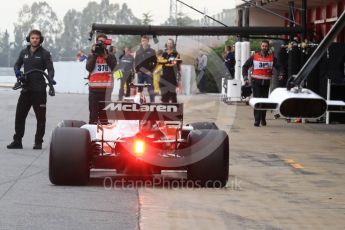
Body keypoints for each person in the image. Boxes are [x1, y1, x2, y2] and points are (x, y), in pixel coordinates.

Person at [7, 29, 55, 150]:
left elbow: (50, 69)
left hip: (39, 90)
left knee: (40, 118)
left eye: (37, 38)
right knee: (19, 116)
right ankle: (17, 141)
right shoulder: (24, 52)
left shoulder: (45, 53)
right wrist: (17, 72)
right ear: (29, 39)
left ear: (40, 40)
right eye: (33, 38)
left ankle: (38, 142)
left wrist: (50, 78)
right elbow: (17, 64)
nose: (35, 40)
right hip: (26, 89)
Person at [242, 40, 284, 127]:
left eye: (266, 46)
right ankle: (257, 120)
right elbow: (245, 66)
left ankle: (263, 118)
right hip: (256, 81)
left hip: (266, 82)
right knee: (257, 100)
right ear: (260, 47)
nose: (264, 47)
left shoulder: (272, 58)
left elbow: (280, 66)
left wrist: (281, 73)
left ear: (268, 47)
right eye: (263, 46)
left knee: (264, 101)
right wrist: (245, 77)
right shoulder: (254, 57)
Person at [86, 33, 117, 124]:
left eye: (103, 42)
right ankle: (92, 137)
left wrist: (106, 57)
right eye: (99, 42)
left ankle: (104, 136)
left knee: (104, 117)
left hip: (106, 91)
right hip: (93, 91)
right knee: (93, 117)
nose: (101, 44)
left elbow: (115, 69)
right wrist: (95, 54)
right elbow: (88, 68)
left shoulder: (110, 56)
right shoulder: (92, 55)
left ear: (106, 43)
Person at [134, 35, 157, 102]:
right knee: (139, 89)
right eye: (142, 41)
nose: (143, 42)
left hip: (148, 74)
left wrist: (151, 71)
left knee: (150, 89)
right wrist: (137, 71)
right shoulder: (138, 51)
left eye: (144, 40)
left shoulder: (152, 51)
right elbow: (136, 62)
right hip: (140, 73)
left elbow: (155, 62)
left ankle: (152, 102)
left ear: (147, 41)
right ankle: (139, 101)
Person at [160, 38, 182, 103]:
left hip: (173, 77)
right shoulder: (164, 54)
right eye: (168, 43)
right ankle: (164, 109)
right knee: (164, 94)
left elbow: (178, 66)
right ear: (166, 44)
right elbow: (161, 64)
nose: (169, 44)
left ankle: (175, 110)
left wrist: (179, 77)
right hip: (165, 76)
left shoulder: (176, 54)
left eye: (170, 43)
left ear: (173, 44)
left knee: (173, 94)